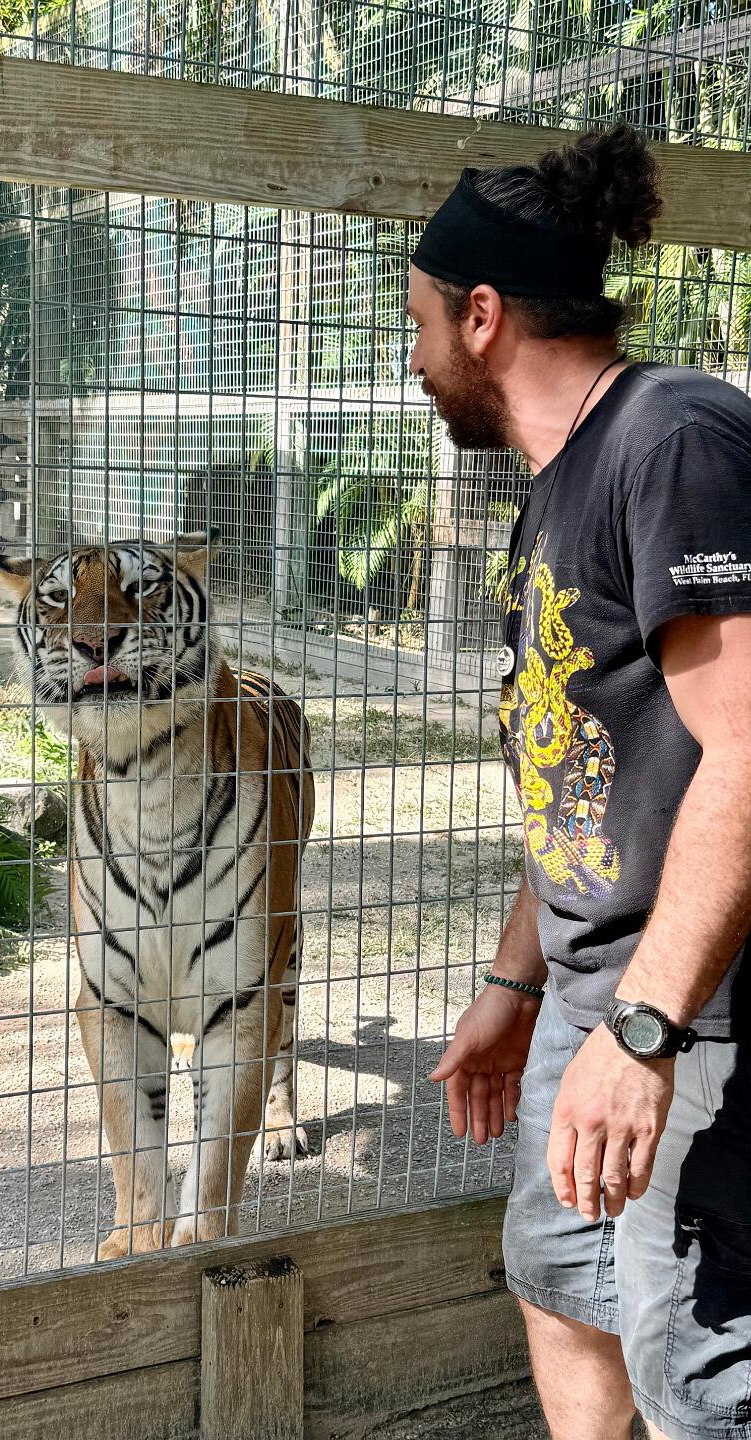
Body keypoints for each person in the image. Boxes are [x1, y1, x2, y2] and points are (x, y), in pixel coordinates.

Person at [415, 125, 751, 1440]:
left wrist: (647, 1031)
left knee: (697, 1379)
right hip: (588, 994)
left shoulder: (675, 442)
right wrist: (517, 985)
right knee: (561, 1284)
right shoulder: (559, 482)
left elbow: (748, 747)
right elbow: (581, 767)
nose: (412, 357)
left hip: (696, 1008)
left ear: (482, 316)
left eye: (420, 323)